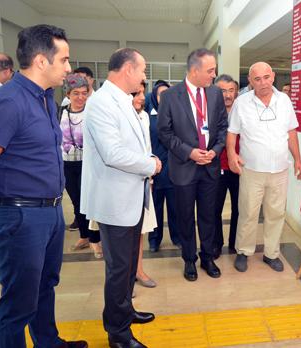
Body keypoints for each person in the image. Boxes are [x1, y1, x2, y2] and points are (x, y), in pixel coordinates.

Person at [0, 24, 87, 348]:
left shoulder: (46, 99)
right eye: (65, 59)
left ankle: (48, 342)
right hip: (20, 216)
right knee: (18, 303)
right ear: (42, 61)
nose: (69, 68)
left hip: (50, 211)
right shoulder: (9, 102)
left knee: (45, 286)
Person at [81, 48, 160, 348]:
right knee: (118, 269)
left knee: (127, 266)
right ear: (127, 69)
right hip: (114, 200)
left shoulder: (124, 101)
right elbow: (113, 154)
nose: (143, 77)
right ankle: (117, 333)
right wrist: (151, 164)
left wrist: (147, 157)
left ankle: (125, 311)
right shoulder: (102, 103)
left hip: (131, 195)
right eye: (141, 70)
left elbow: (133, 144)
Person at [158, 48, 228, 282]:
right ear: (194, 70)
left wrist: (215, 151)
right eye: (210, 70)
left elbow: (222, 128)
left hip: (209, 167)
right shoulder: (170, 96)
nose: (214, 74)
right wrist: (190, 153)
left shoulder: (216, 94)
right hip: (184, 167)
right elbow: (164, 133)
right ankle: (189, 260)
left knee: (209, 215)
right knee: (185, 216)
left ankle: (207, 257)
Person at [228, 62, 301, 273]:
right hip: (252, 170)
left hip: (280, 170)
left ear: (273, 77)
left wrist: (297, 159)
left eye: (266, 77)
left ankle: (271, 254)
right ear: (250, 82)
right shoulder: (241, 103)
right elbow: (232, 132)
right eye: (257, 79)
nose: (263, 83)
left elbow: (291, 132)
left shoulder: (284, 100)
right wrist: (232, 155)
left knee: (276, 214)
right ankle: (243, 252)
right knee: (248, 213)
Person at [60, 74, 102, 258]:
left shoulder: (93, 112)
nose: (80, 97)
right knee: (77, 202)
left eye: (84, 93)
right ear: (68, 94)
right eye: (75, 93)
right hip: (67, 164)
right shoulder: (59, 112)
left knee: (90, 202)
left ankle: (95, 238)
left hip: (88, 164)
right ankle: (84, 235)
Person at [147, 80, 181, 251]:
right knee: (156, 207)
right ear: (154, 95)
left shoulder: (177, 113)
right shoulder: (148, 114)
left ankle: (177, 237)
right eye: (161, 94)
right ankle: (154, 239)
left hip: (174, 166)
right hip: (156, 167)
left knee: (175, 206)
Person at [132, 81, 158, 288]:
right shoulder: (116, 116)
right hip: (121, 183)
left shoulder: (144, 116)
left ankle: (138, 270)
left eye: (143, 92)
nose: (142, 97)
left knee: (140, 231)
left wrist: (150, 168)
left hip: (142, 180)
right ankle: (124, 280)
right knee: (120, 237)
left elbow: (146, 147)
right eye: (136, 93)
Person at [214, 74, 240, 257]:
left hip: (239, 168)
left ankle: (235, 244)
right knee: (214, 209)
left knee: (240, 209)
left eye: (231, 90)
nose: (227, 95)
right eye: (223, 91)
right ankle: (216, 245)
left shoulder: (244, 111)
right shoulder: (210, 112)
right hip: (216, 169)